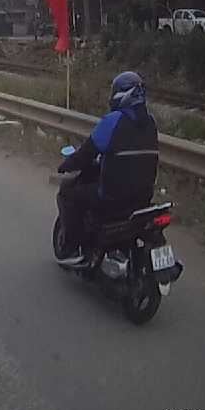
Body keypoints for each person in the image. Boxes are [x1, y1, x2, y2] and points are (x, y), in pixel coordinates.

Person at [55, 71, 159, 265]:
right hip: (143, 197)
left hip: (112, 196)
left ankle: (72, 248)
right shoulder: (151, 122)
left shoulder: (113, 121)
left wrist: (65, 165)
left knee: (68, 194)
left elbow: (86, 153)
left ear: (121, 94)